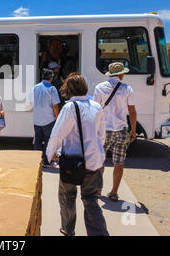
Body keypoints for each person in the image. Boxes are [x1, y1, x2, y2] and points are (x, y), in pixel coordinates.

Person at [46, 73, 109, 236]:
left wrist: (50, 153)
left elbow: (57, 135)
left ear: (69, 90)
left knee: (67, 196)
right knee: (91, 200)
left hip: (72, 164)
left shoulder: (69, 108)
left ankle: (68, 229)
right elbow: (102, 136)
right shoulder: (96, 106)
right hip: (94, 162)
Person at [92, 62, 137, 202]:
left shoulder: (99, 88)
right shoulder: (127, 89)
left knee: (101, 161)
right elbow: (132, 111)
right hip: (121, 130)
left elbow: (94, 109)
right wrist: (133, 129)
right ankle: (113, 192)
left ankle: (98, 189)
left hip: (104, 130)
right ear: (121, 74)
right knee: (119, 163)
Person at [27, 69, 60, 168]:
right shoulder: (52, 89)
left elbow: (30, 103)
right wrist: (57, 117)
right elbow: (55, 106)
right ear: (51, 78)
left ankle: (36, 162)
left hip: (37, 120)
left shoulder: (35, 87)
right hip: (48, 120)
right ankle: (46, 162)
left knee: (37, 141)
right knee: (48, 142)